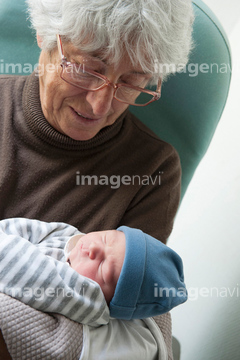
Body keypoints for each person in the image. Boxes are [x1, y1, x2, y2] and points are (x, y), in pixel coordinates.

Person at [0, 0, 194, 358]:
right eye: (87, 69)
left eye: (132, 82)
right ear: (44, 35)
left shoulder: (153, 170)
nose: (100, 105)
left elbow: (122, 335)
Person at [0, 217, 187, 359]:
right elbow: (22, 228)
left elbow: (19, 269)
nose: (94, 248)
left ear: (109, 301)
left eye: (103, 267)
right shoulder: (68, 235)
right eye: (106, 238)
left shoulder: (85, 297)